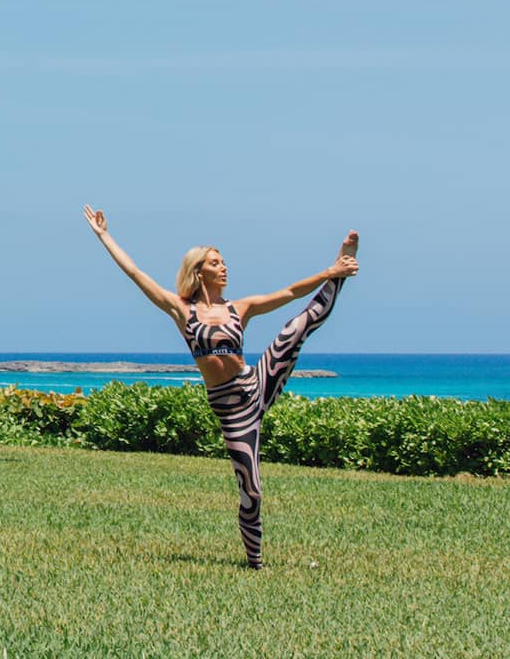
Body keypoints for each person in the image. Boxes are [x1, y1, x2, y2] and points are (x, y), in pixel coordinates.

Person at [83, 205, 359, 568]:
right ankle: (255, 561)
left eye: (223, 261)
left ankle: (342, 272)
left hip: (256, 382)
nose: (224, 266)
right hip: (232, 409)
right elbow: (135, 273)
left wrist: (330, 271)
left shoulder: (239, 308)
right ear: (198, 271)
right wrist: (104, 236)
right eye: (216, 262)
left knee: (296, 328)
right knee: (252, 489)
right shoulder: (181, 309)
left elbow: (291, 292)